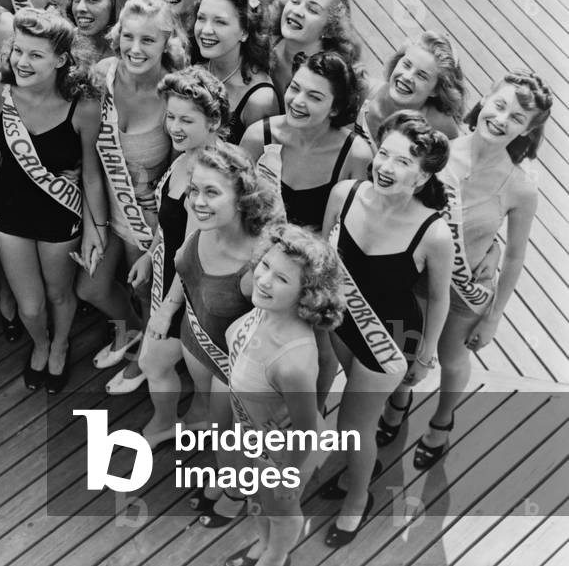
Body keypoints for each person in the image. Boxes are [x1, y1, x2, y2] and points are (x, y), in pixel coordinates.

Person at [378, 72, 550, 470]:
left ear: (528, 130)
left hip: (464, 287)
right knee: (407, 345)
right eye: (501, 105)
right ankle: (400, 398)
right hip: (415, 275)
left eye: (518, 118)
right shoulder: (438, 153)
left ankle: (441, 422)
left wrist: (492, 318)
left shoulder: (521, 188)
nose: (503, 119)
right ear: (486, 99)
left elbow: (515, 258)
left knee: (451, 358)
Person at [319, 112, 453, 548]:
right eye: (384, 154)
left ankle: (358, 496)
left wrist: (427, 352)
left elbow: (439, 298)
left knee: (353, 426)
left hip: (389, 337)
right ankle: (371, 451)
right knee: (359, 421)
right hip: (340, 322)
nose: (386, 167)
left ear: (423, 175)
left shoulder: (433, 233)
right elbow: (321, 258)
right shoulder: (344, 194)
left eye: (403, 162)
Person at [148, 143, 282, 518]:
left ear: (241, 198)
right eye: (194, 190)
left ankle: (236, 493)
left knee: (232, 438)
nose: (196, 202)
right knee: (218, 428)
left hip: (235, 367)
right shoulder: (207, 227)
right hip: (196, 340)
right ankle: (227, 473)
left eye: (211, 192)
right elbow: (186, 270)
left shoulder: (258, 264)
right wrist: (169, 308)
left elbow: (279, 333)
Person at [0, 8, 105, 394]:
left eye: (36, 55)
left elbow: (90, 172)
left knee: (59, 294)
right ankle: (39, 342)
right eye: (18, 51)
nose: (22, 61)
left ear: (61, 60)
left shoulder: (82, 106)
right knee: (31, 307)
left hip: (60, 216)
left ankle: (60, 344)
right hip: (9, 213)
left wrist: (94, 230)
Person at [216, 224, 344, 566]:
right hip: (253, 432)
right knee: (258, 498)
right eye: (266, 265)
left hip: (282, 450)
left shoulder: (293, 361)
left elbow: (305, 429)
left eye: (282, 279)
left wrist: (288, 476)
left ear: (307, 294)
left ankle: (276, 556)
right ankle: (263, 544)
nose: (264, 280)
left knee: (281, 507)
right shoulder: (265, 310)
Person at [79, 0, 186, 393]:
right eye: (128, 37)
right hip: (108, 209)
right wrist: (95, 225)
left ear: (165, 43)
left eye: (148, 40)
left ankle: (144, 360)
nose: (135, 49)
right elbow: (89, 158)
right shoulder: (101, 75)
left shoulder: (174, 95)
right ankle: (131, 333)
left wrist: (154, 246)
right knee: (90, 287)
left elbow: (180, 179)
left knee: (144, 292)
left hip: (151, 224)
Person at [134, 67, 228, 443]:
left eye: (187, 119)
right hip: (170, 277)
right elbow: (170, 228)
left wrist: (166, 309)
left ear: (214, 121)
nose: (174, 126)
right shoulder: (185, 157)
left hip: (194, 290)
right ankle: (196, 413)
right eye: (170, 116)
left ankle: (168, 421)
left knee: (151, 362)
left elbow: (191, 255)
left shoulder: (207, 176)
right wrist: (150, 254)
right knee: (189, 366)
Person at [240, 51, 371, 229]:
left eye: (314, 97)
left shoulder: (355, 155)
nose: (298, 101)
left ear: (335, 108)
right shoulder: (257, 137)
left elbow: (353, 230)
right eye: (294, 88)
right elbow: (234, 205)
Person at [195, 0, 278, 143]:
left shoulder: (259, 100)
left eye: (220, 22)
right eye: (201, 18)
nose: (206, 30)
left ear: (245, 31)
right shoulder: (196, 67)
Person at [267, 0, 362, 100]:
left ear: (329, 29)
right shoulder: (263, 41)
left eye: (312, 9)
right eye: (295, 1)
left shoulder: (331, 80)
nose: (297, 11)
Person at [356, 30, 465, 149]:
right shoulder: (363, 91)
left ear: (435, 90)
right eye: (406, 65)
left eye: (421, 75)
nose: (407, 77)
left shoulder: (440, 126)